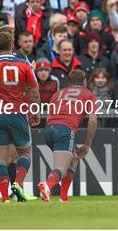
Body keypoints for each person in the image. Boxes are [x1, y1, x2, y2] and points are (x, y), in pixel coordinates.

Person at [0, 31, 41, 202]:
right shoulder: (23, 65)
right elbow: (34, 92)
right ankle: (18, 184)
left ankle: (5, 197)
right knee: (25, 153)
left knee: (0, 157)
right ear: (13, 46)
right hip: (18, 113)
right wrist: (35, 111)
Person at [37, 69, 98, 203]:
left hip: (48, 130)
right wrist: (87, 145)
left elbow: (48, 117)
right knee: (61, 168)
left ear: (69, 82)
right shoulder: (89, 94)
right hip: (65, 129)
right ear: (84, 82)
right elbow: (93, 121)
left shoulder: (57, 94)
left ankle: (63, 198)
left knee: (74, 158)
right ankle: (48, 186)